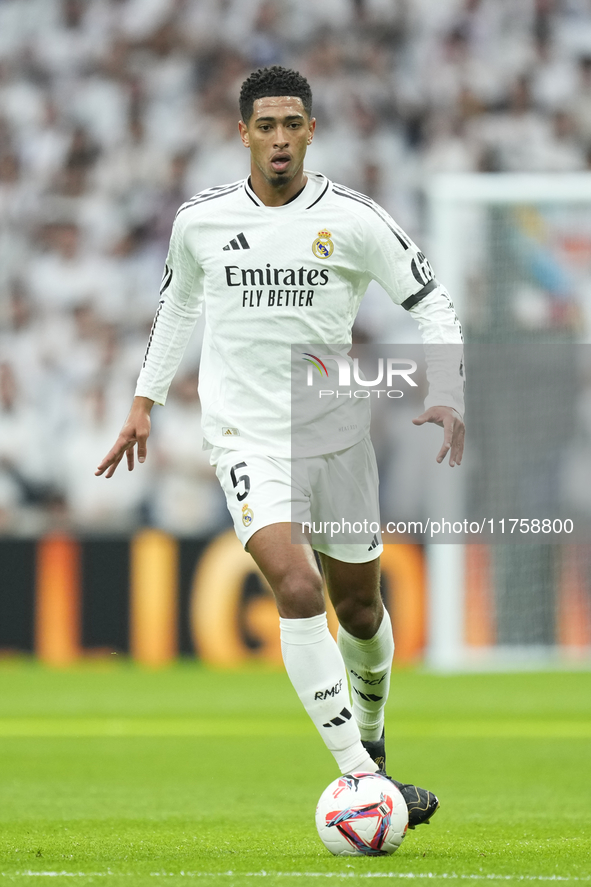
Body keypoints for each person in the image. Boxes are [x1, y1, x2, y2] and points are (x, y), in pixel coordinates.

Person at [96, 66, 465, 830]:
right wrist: (143, 402)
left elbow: (432, 304)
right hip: (244, 433)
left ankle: (372, 744)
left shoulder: (357, 220)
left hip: (333, 431)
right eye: (264, 125)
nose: (278, 138)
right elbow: (177, 307)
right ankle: (361, 779)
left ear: (310, 131)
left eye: (291, 124)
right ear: (242, 133)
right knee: (297, 588)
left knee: (359, 608)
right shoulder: (200, 220)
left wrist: (447, 390)